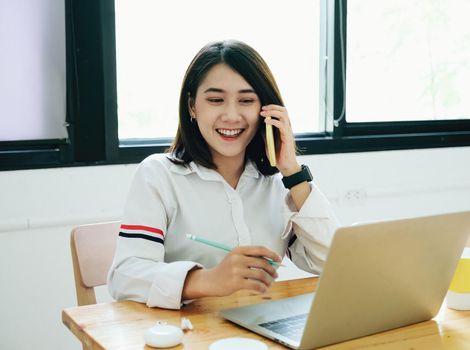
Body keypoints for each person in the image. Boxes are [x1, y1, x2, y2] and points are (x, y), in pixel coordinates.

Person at [107, 40, 340, 309]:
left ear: (265, 109)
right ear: (192, 106)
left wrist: (292, 171)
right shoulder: (159, 175)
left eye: (246, 100)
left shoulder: (278, 183)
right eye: (216, 100)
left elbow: (332, 262)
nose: (231, 115)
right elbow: (124, 277)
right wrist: (208, 280)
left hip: (260, 329)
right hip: (187, 334)